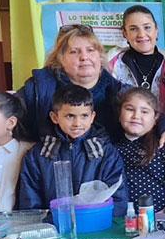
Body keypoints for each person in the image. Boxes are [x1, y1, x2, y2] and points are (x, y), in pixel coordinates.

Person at [0, 24, 165, 182]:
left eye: (90, 50)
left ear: (99, 56)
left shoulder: (116, 89)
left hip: (100, 174)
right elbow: (0, 114)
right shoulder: (39, 87)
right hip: (51, 174)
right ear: (60, 59)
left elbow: (146, 110)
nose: (84, 57)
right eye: (75, 52)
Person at [17, 84, 129, 216]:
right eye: (70, 116)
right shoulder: (39, 154)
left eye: (84, 116)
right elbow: (30, 202)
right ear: (54, 117)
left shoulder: (105, 153)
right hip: (54, 227)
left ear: (92, 117)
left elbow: (118, 199)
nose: (77, 123)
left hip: (98, 226)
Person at [114, 87, 165, 212]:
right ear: (119, 113)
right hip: (122, 222)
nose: (136, 116)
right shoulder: (112, 150)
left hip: (162, 222)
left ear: (156, 117)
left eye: (145, 112)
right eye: (130, 109)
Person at [107, 5, 165, 114]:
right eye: (133, 29)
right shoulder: (110, 63)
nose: (141, 34)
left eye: (147, 27)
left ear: (156, 30)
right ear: (124, 33)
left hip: (164, 128)